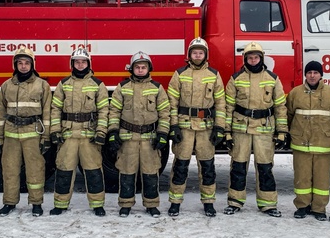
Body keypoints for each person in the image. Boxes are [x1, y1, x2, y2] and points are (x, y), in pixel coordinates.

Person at [223, 41, 288, 217]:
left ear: (261, 58)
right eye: (250, 57)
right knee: (238, 166)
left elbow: (280, 106)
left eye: (256, 57)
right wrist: (226, 132)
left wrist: (282, 132)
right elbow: (228, 107)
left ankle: (268, 204)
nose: (253, 60)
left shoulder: (272, 79)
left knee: (265, 167)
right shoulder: (236, 79)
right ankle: (235, 201)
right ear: (245, 59)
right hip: (241, 129)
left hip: (264, 130)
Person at [167, 37, 226, 217]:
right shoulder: (180, 74)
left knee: (207, 167)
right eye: (195, 52)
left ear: (205, 54)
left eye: (201, 52)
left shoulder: (214, 75)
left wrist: (219, 127)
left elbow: (221, 103)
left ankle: (208, 202)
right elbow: (172, 102)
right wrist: (173, 126)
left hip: (206, 129)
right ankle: (175, 202)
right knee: (180, 166)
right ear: (189, 55)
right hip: (184, 128)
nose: (198, 55)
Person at [108, 51, 170, 218]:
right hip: (128, 138)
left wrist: (163, 133)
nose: (141, 70)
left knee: (150, 174)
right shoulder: (123, 88)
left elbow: (165, 112)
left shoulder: (157, 88)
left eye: (144, 67)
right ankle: (125, 204)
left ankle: (151, 205)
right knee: (126, 173)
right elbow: (113, 111)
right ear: (132, 69)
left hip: (149, 139)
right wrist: (113, 132)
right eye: (137, 67)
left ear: (149, 68)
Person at [49, 47, 109, 217]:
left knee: (94, 171)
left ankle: (97, 205)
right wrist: (55, 130)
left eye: (83, 61)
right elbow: (55, 109)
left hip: (89, 136)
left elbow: (104, 110)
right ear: (72, 64)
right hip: (68, 135)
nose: (80, 64)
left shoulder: (98, 85)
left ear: (88, 63)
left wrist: (101, 132)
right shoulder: (64, 84)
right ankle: (60, 204)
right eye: (77, 61)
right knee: (63, 171)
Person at [0, 46, 51, 217]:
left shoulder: (42, 85)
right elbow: (1, 112)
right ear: (15, 65)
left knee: (35, 169)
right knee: (10, 170)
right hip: (11, 133)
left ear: (32, 64)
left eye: (27, 63)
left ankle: (36, 203)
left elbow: (48, 112)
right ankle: (9, 202)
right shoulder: (6, 85)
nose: (23, 66)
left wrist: (47, 136)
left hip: (32, 132)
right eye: (20, 63)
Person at [286, 61, 330, 220]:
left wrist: (325, 131)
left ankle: (319, 209)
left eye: (315, 72)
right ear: (305, 74)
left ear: (321, 75)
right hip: (301, 142)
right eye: (309, 72)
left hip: (323, 144)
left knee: (322, 179)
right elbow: (289, 115)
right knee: (301, 177)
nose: (312, 75)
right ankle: (302, 206)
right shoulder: (295, 93)